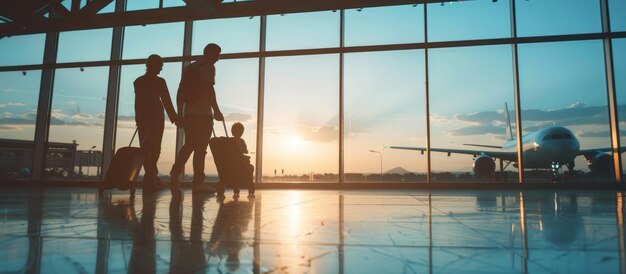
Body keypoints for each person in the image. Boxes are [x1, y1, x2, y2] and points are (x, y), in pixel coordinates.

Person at [170, 43, 224, 194]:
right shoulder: (209, 68)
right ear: (211, 53)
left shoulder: (190, 68)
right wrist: (217, 111)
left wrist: (180, 113)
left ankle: (174, 175)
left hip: (189, 115)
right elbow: (209, 90)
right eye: (217, 55)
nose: (218, 59)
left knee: (188, 146)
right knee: (200, 150)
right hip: (204, 115)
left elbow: (180, 92)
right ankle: (198, 183)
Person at [134, 54, 179, 193]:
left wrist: (138, 118)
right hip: (156, 117)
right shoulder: (160, 82)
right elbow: (166, 100)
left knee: (146, 148)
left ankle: (151, 177)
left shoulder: (138, 81)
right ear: (154, 65)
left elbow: (138, 102)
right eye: (160, 66)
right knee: (155, 148)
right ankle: (151, 178)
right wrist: (175, 118)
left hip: (143, 117)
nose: (161, 69)